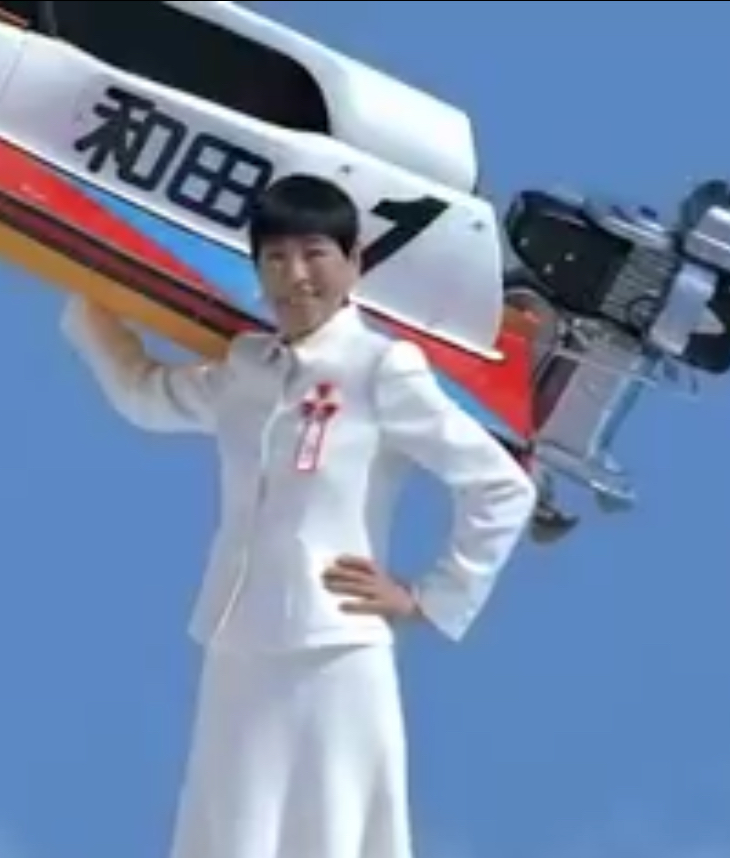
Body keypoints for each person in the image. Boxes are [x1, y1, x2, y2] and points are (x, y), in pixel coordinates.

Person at [59, 173, 538, 858]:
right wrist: (85, 296)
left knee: (333, 830)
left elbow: (501, 486)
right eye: (276, 258)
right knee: (232, 832)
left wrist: (430, 597)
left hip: (335, 647)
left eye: (315, 254)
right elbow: (145, 396)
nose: (296, 275)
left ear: (354, 263)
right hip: (236, 637)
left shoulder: (382, 367)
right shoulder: (248, 368)